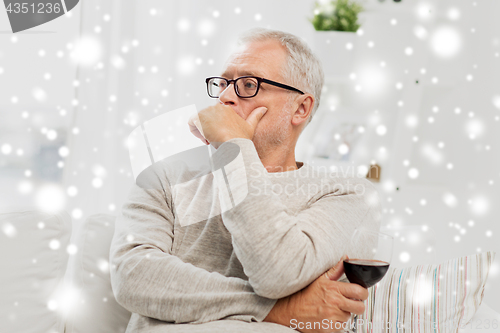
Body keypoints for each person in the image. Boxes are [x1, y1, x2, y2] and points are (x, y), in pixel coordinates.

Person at [109, 27, 381, 333]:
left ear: (300, 108)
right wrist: (277, 309)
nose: (225, 97)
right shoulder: (163, 178)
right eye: (223, 83)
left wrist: (235, 148)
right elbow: (133, 275)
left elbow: (277, 271)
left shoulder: (344, 193)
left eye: (248, 84)